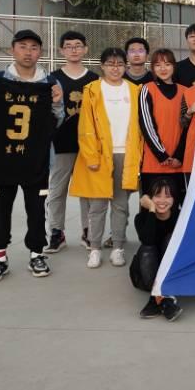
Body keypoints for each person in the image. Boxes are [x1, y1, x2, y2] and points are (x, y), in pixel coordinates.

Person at [0, 29, 64, 282]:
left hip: (37, 161)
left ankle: (37, 254)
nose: (28, 52)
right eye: (23, 46)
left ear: (40, 52)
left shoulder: (50, 84)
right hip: (1, 161)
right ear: (12, 49)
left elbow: (56, 122)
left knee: (37, 211)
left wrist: (57, 103)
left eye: (34, 47)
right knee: (0, 212)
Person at [70, 48, 144, 270]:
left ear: (125, 66)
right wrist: (91, 155)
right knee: (97, 205)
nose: (115, 68)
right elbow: (85, 126)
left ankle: (118, 247)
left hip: (126, 154)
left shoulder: (135, 90)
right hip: (100, 155)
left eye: (119, 64)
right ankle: (94, 248)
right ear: (102, 66)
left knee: (121, 205)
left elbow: (140, 126)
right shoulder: (93, 90)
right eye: (110, 64)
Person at [45, 30, 97, 253]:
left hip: (88, 146)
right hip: (61, 144)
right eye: (69, 46)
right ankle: (57, 232)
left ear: (85, 49)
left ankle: (88, 231)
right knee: (57, 191)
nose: (74, 50)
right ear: (61, 50)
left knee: (88, 191)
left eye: (78, 45)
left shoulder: (94, 79)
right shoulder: (52, 78)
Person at [139, 48, 188, 204]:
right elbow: (146, 124)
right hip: (154, 162)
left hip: (178, 164)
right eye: (158, 65)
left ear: (174, 66)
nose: (163, 68)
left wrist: (179, 156)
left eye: (167, 64)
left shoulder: (185, 92)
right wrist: (162, 155)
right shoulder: (147, 89)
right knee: (151, 208)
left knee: (177, 209)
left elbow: (188, 127)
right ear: (152, 68)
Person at [134, 179, 183, 321]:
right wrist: (151, 209)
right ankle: (164, 300)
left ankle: (156, 300)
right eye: (157, 196)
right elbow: (148, 241)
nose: (162, 201)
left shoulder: (181, 218)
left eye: (167, 196)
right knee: (146, 248)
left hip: (170, 274)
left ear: (174, 199)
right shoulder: (141, 218)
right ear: (150, 198)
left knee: (170, 239)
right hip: (145, 274)